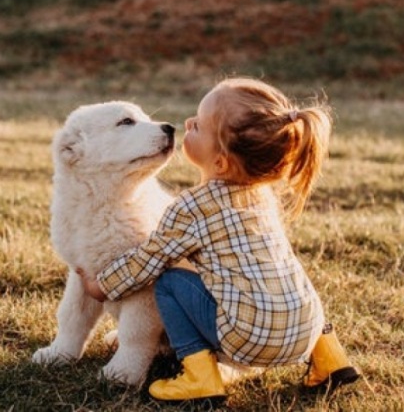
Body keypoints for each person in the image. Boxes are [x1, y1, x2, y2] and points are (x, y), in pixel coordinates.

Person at [76, 77, 359, 406]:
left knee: (167, 281)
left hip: (249, 344)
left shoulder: (191, 209)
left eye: (197, 126)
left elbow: (147, 260)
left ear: (221, 162)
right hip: (306, 334)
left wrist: (102, 287)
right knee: (284, 272)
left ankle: (199, 374)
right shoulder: (263, 196)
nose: (187, 124)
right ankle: (331, 360)